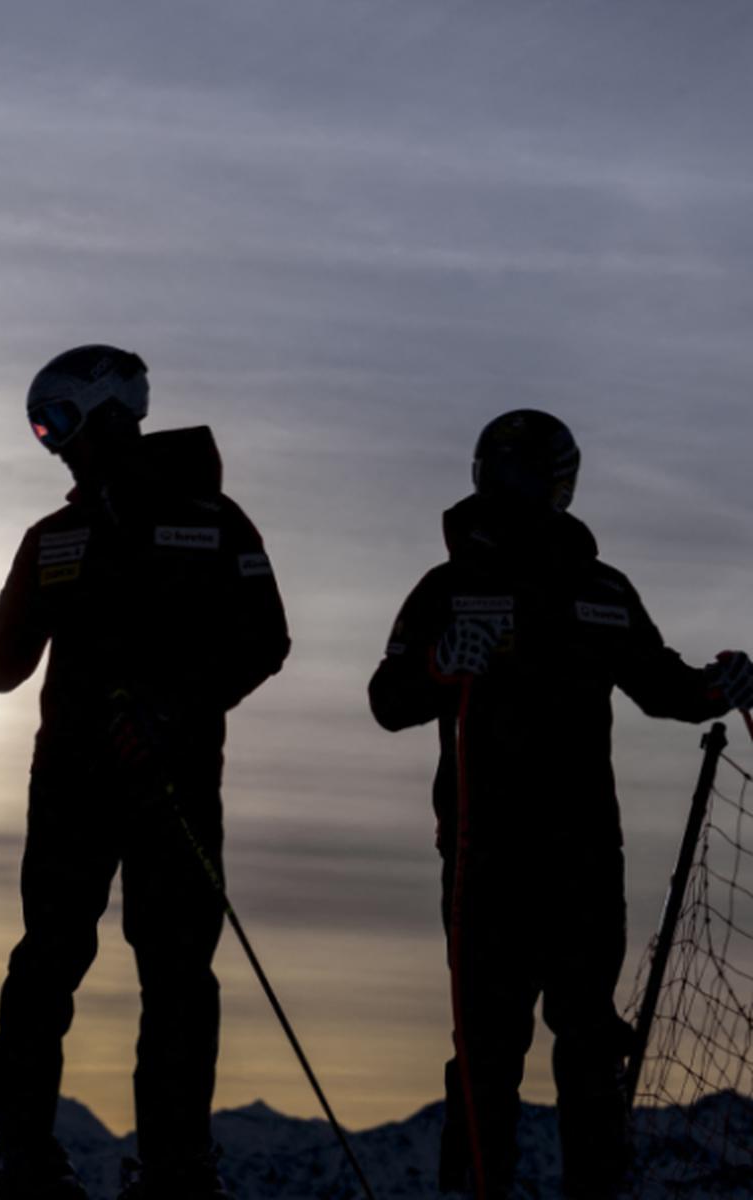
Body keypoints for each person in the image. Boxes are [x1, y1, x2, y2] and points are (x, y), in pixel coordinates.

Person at [0, 346, 290, 1200]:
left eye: (57, 421)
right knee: (50, 954)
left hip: (173, 781)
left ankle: (176, 1163)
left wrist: (173, 709)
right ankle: (26, 1150)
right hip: (72, 785)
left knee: (176, 968)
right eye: (41, 429)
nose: (51, 443)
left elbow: (263, 640)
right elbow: (3, 663)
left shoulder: (213, 521)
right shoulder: (55, 538)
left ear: (110, 411)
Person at [367, 409, 753, 1199]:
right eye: (507, 471)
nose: (518, 487)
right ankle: (477, 1190)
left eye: (529, 473)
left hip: (581, 855)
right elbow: (388, 697)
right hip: (484, 855)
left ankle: (596, 1191)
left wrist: (721, 686)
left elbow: (664, 684)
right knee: (487, 1048)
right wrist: (442, 666)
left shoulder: (600, 590)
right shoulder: (449, 588)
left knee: (586, 1039)